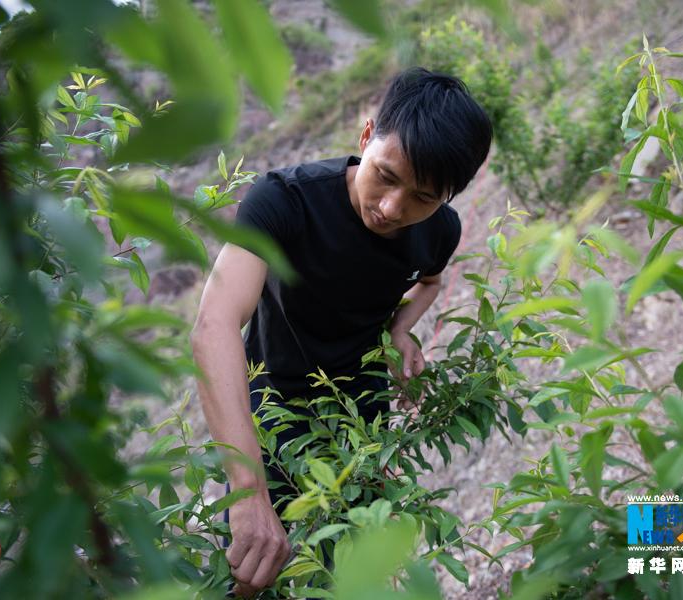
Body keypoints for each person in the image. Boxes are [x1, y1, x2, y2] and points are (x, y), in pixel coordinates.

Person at [190, 66, 492, 597]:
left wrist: (402, 330)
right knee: (251, 572)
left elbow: (431, 280)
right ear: (367, 135)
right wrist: (247, 492)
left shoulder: (439, 229)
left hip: (360, 417)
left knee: (342, 570)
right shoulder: (284, 202)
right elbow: (213, 326)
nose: (391, 208)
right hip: (271, 411)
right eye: (387, 175)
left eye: (422, 197)